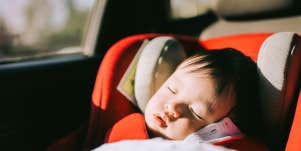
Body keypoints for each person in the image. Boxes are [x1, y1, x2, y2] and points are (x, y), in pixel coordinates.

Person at [94, 48, 264, 151]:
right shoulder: (121, 132)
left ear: (218, 130)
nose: (173, 107)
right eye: (171, 89)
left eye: (195, 112)